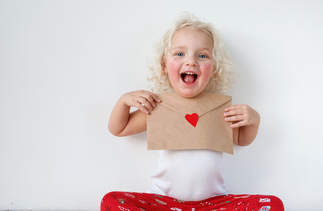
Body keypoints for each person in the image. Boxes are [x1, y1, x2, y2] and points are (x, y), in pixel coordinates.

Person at [101, 13, 284, 211]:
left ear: (214, 68)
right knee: (110, 201)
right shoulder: (157, 105)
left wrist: (254, 120)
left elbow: (242, 139)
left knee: (273, 205)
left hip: (214, 203)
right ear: (164, 65)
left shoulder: (220, 108)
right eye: (179, 54)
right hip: (163, 201)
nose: (191, 61)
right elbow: (119, 128)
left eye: (202, 55)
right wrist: (123, 102)